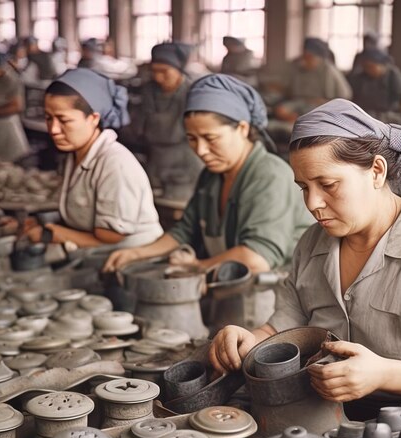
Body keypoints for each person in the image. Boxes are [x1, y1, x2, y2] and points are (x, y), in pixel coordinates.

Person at [209, 99, 401, 418]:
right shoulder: (313, 244)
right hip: (324, 417)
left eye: (328, 185)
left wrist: (383, 373)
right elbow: (283, 328)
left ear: (377, 171)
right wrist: (248, 340)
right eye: (303, 187)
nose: (313, 203)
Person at [104, 74, 314, 325]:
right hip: (230, 294)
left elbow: (256, 257)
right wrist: (137, 253)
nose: (201, 151)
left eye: (211, 139)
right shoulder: (212, 175)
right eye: (192, 139)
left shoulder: (268, 175)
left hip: (272, 304)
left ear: (243, 128)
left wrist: (197, 266)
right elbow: (185, 230)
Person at [18, 68, 162, 250]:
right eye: (48, 118)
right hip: (99, 256)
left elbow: (110, 235)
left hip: (137, 261)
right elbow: (80, 214)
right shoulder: (74, 155)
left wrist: (52, 233)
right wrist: (39, 223)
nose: (53, 129)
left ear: (93, 118)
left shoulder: (115, 164)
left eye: (64, 120)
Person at [136, 42, 203, 200]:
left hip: (185, 162)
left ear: (179, 69)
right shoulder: (148, 91)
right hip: (155, 160)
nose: (158, 77)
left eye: (165, 71)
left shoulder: (193, 92)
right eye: (154, 71)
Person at [275, 37, 351, 122]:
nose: (304, 60)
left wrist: (325, 101)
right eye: (304, 56)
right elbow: (289, 91)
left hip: (320, 105)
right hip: (299, 102)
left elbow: (345, 95)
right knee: (281, 110)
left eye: (309, 57)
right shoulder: (297, 67)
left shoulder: (328, 70)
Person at [349, 49, 401, 114]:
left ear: (380, 65)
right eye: (365, 67)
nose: (367, 69)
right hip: (364, 113)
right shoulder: (360, 78)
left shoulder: (392, 75)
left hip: (388, 114)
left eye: (370, 66)